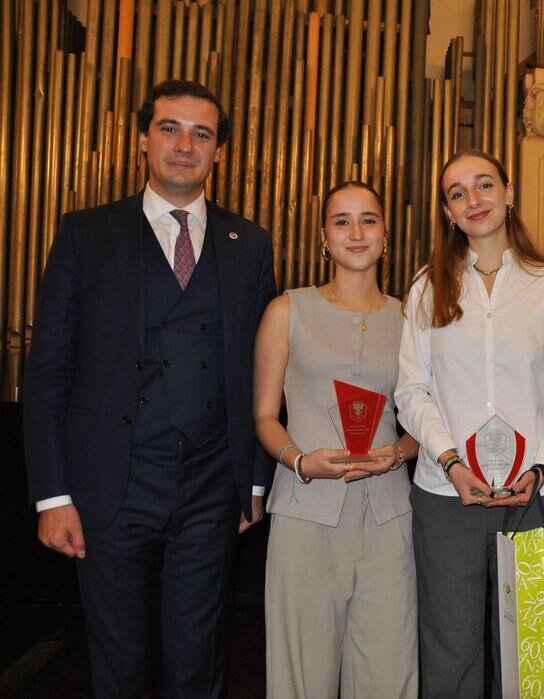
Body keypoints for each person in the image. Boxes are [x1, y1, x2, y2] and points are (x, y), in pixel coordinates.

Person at [23, 79, 276, 697]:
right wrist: (51, 496)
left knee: (201, 667)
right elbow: (49, 370)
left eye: (202, 133)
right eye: (170, 128)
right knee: (119, 671)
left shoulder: (252, 245)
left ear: (219, 151)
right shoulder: (85, 234)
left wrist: (253, 479)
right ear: (143, 140)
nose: (185, 144)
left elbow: (266, 370)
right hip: (110, 486)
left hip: (211, 489)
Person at [395, 148, 544, 697]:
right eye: (457, 193)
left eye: (484, 185)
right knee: (449, 649)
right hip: (444, 494)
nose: (473, 199)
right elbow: (412, 391)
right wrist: (450, 461)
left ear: (509, 194)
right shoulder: (427, 289)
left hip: (533, 495)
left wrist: (542, 467)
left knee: (532, 652)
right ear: (448, 213)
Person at [253, 181, 419, 698]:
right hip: (306, 510)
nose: (355, 232)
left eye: (368, 219)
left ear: (385, 233)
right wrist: (300, 461)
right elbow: (263, 416)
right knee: (301, 671)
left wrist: (396, 453)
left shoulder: (412, 318)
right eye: (341, 221)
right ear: (324, 237)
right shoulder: (286, 310)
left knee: (389, 673)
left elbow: (425, 421)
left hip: (390, 514)